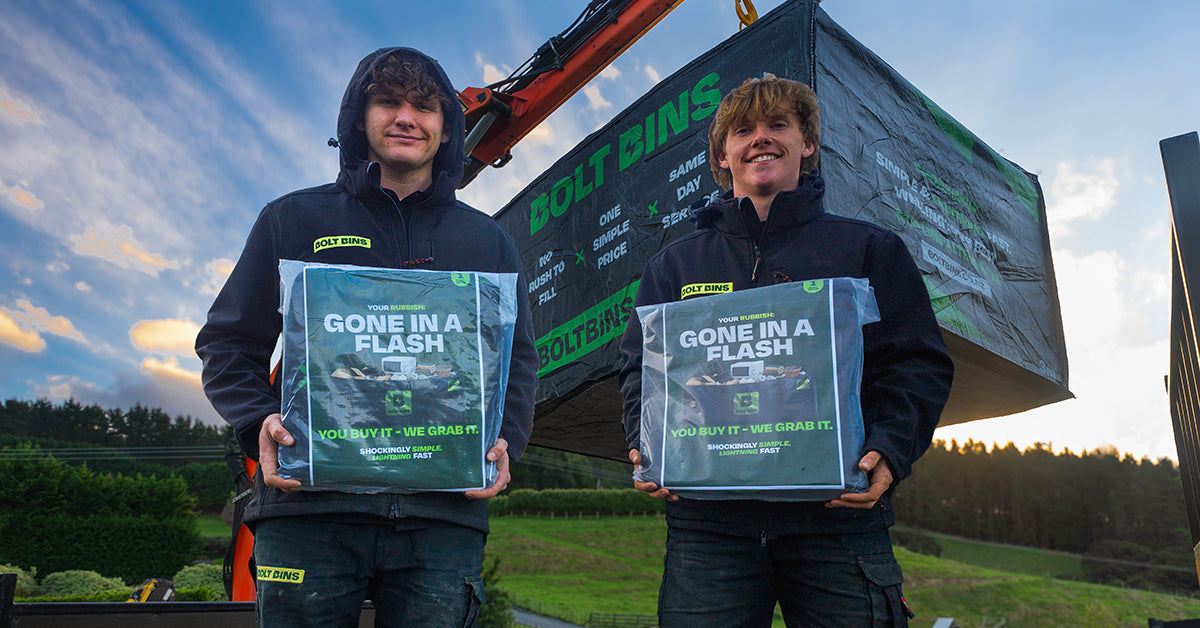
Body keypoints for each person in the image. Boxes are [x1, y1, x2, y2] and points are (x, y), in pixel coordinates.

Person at [195, 47, 537, 627]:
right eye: (388, 102)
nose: (406, 117)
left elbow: (517, 358)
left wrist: (507, 440)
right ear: (360, 117)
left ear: (446, 127)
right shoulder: (291, 219)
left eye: (424, 106)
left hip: (441, 519)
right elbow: (228, 342)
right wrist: (258, 420)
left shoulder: (487, 241)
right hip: (308, 514)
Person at [618, 75, 954, 627]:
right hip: (709, 529)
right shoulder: (674, 266)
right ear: (722, 155)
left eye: (779, 125)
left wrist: (891, 450)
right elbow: (640, 369)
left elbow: (916, 363)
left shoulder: (868, 248)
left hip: (837, 521)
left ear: (808, 144)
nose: (761, 138)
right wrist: (646, 443)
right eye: (743, 130)